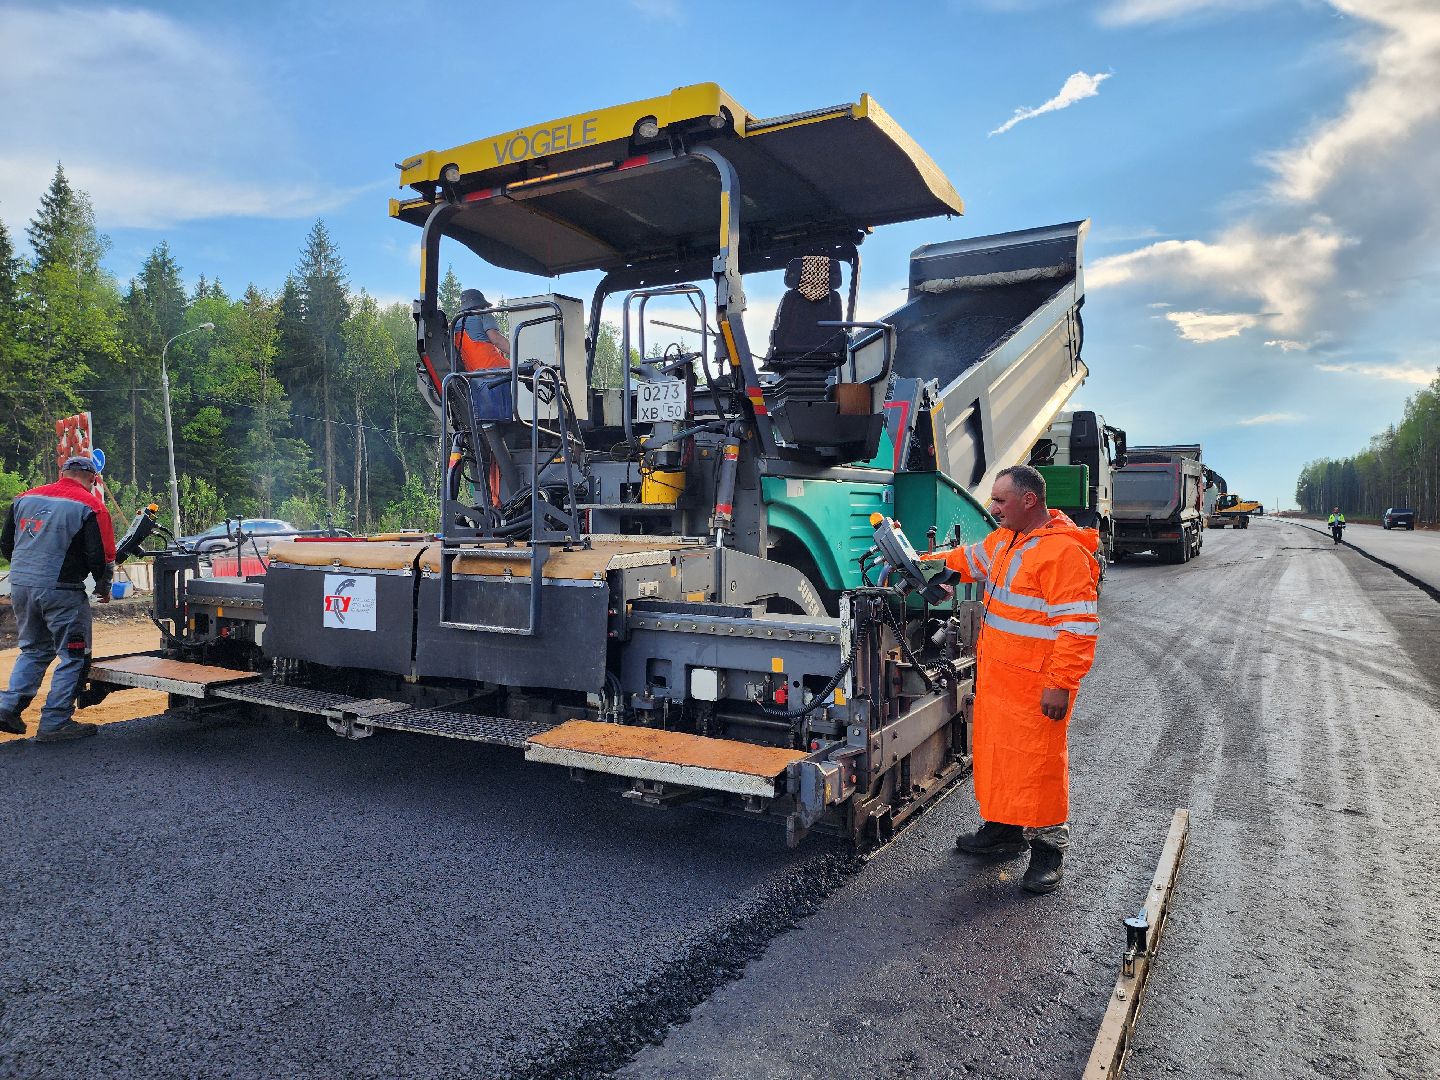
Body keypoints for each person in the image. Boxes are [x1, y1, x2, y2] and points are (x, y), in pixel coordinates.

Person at [921, 464, 1101, 894]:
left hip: (1039, 686)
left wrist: (1060, 684)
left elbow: (1077, 628)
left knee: (1039, 766)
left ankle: (1048, 850)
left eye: (1000, 500)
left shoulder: (1062, 554)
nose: (993, 507)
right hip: (1003, 680)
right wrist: (921, 561)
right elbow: (967, 559)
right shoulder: (1007, 541)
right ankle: (1003, 830)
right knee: (1000, 756)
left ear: (1029, 501)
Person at [0, 455, 116, 741]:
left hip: (22, 586)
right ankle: (55, 722)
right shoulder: (91, 505)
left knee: (34, 649)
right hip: (61, 591)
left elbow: (6, 544)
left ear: (62, 472)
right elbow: (100, 555)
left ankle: (7, 707)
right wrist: (103, 585)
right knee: (74, 655)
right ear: (92, 479)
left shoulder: (25, 498)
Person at [453, 288, 511, 372]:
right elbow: (496, 339)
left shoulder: (455, 324)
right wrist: (519, 353)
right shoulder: (484, 314)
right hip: (495, 370)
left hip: (474, 374)